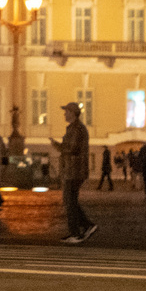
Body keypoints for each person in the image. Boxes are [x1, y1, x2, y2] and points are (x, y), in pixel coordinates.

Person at [51, 102, 96, 244]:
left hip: (74, 171)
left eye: (66, 111)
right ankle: (86, 226)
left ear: (73, 113)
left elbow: (71, 148)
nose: (64, 114)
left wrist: (57, 145)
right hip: (72, 170)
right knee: (70, 201)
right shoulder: (75, 128)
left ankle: (76, 233)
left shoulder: (77, 129)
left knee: (70, 202)